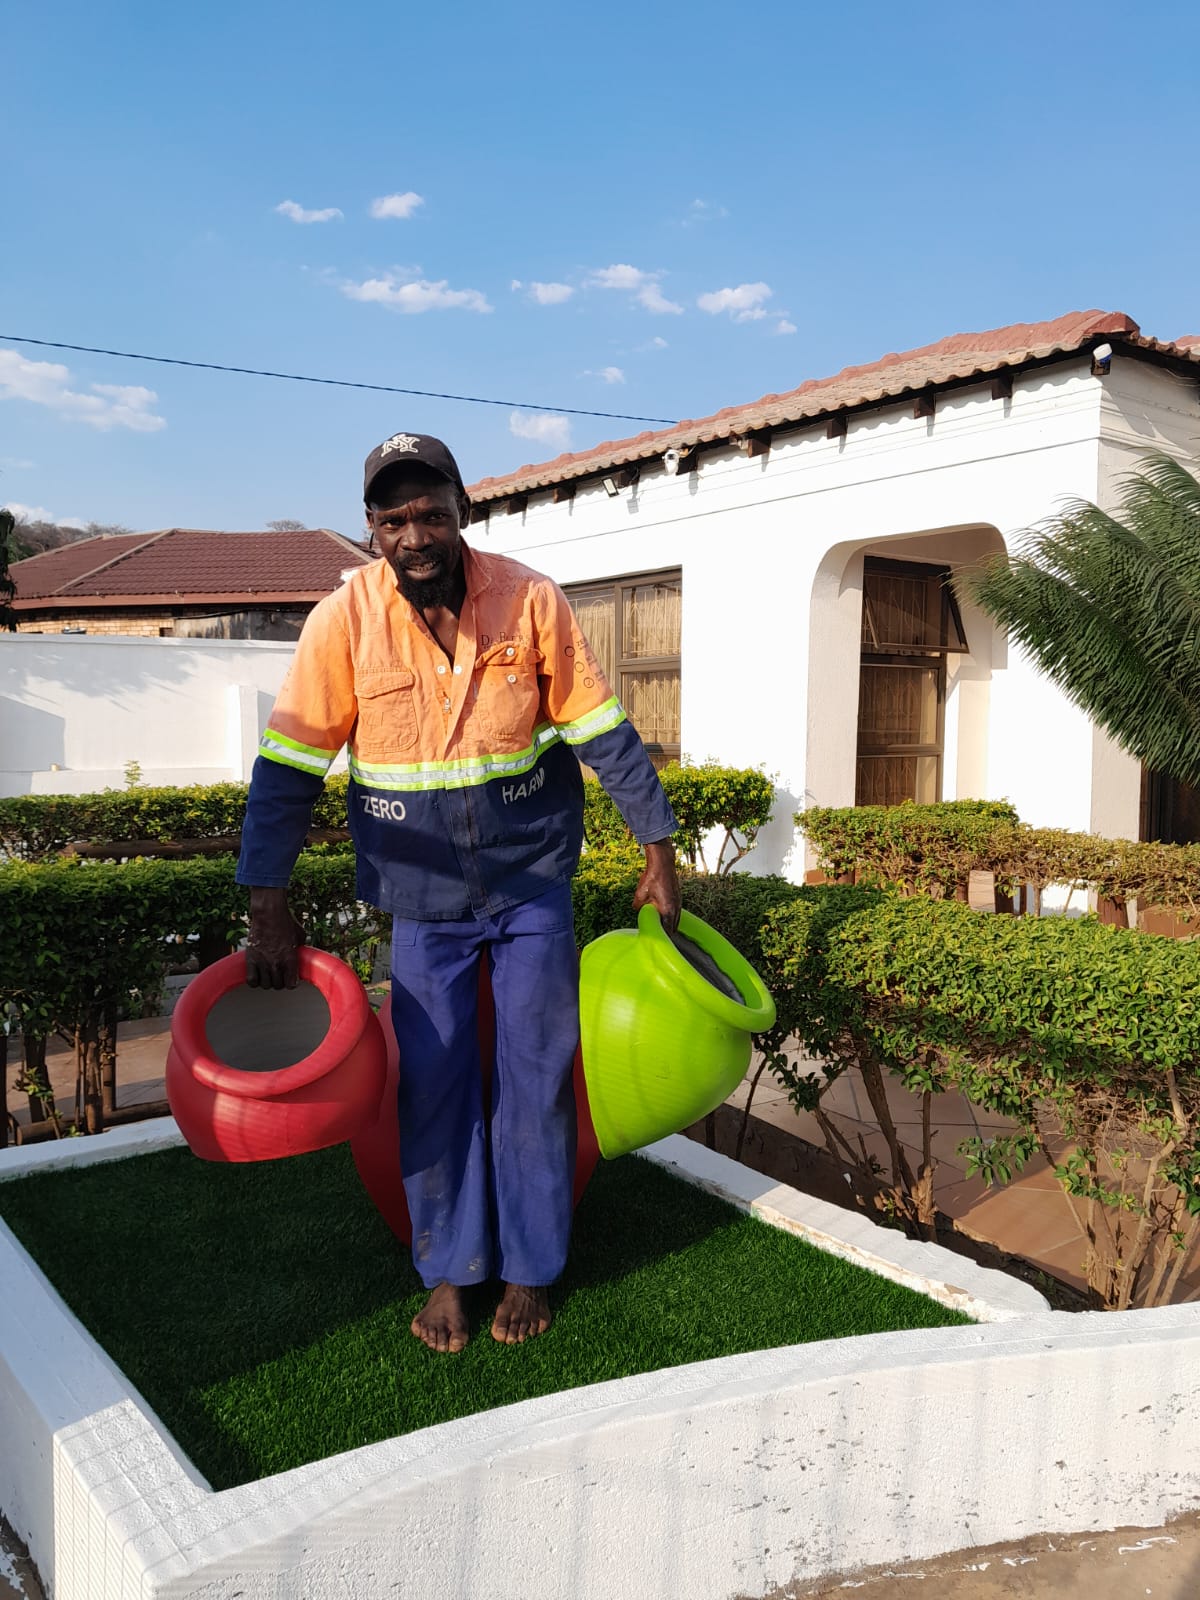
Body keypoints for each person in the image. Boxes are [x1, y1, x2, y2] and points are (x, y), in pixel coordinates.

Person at [237, 431, 681, 1354]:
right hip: (420, 903)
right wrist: (265, 900)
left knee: (536, 1079)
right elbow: (288, 770)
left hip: (530, 889)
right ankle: (448, 1270)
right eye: (392, 519)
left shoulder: (531, 600)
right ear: (370, 530)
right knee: (432, 1086)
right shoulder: (343, 621)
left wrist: (659, 846)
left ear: (461, 510)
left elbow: (603, 729)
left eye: (429, 512)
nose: (413, 534)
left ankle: (529, 1268)